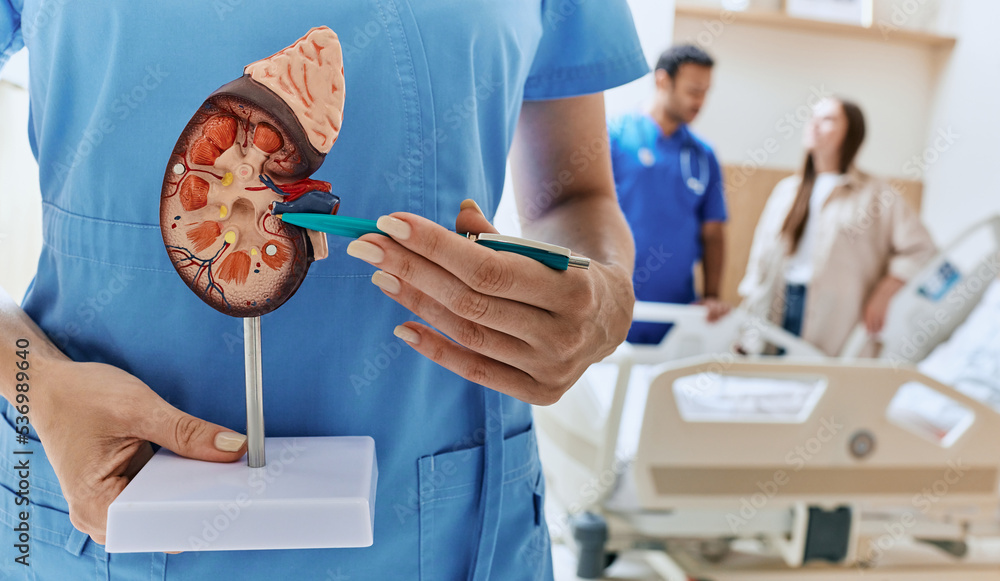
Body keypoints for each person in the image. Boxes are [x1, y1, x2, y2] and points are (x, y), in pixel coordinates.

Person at [0, 4, 649, 579]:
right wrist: (36, 381)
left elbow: (575, 197)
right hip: (103, 514)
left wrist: (604, 297)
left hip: (443, 519)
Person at [739, 97, 937, 356]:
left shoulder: (877, 194)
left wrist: (885, 292)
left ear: (851, 133)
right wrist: (745, 326)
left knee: (818, 377)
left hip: (837, 318)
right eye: (812, 118)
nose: (814, 125)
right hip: (779, 304)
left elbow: (922, 249)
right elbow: (760, 262)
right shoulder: (786, 192)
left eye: (828, 119)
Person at [609, 44, 730, 345]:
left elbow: (713, 233)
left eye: (706, 92)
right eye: (693, 91)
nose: (700, 101)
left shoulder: (704, 155)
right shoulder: (615, 137)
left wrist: (712, 296)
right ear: (663, 80)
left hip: (678, 318)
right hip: (614, 309)